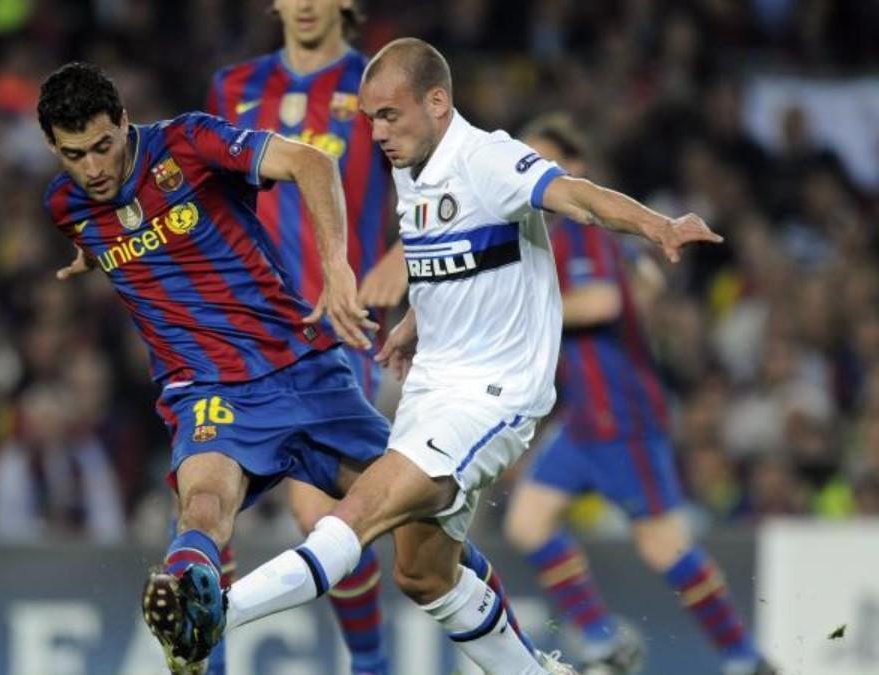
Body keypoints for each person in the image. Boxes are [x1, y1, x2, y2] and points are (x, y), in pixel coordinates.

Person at [167, 38, 723, 675]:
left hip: (492, 396)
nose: (376, 133)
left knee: (350, 515)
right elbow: (443, 252)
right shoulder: (410, 164)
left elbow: (576, 195)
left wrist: (658, 227)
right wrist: (412, 321)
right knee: (424, 575)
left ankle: (213, 616)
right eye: (369, 117)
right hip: (433, 385)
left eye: (389, 116)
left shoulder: (487, 159)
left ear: (437, 102)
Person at [205, 2, 531, 672]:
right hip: (248, 330)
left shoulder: (379, 85)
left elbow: (455, 183)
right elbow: (209, 196)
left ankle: (373, 663)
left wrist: (400, 259)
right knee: (218, 497)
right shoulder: (234, 87)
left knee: (318, 508)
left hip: (336, 319)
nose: (303, 4)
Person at [37, 61, 388, 675]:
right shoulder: (67, 207)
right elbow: (120, 231)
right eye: (74, 154)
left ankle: (521, 661)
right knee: (202, 509)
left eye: (103, 146)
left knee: (425, 521)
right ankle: (196, 648)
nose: (93, 168)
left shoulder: (189, 142)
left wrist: (336, 268)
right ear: (52, 147)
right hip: (206, 387)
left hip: (300, 363)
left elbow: (312, 162)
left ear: (125, 122)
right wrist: (94, 257)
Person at [503, 113, 774, 675]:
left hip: (622, 414)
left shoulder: (580, 228)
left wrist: (529, 312)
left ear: (573, 169)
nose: (526, 171)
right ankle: (604, 640)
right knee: (527, 522)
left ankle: (745, 658)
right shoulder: (558, 236)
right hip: (585, 418)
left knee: (663, 547)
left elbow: (601, 301)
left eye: (541, 159)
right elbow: (638, 281)